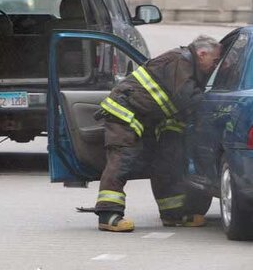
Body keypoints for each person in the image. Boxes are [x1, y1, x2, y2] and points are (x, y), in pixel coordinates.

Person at [94, 35, 222, 232]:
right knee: (122, 160)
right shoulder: (181, 61)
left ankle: (172, 215)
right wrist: (215, 103)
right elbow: (186, 97)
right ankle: (108, 214)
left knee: (165, 165)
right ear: (202, 54)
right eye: (214, 62)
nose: (215, 67)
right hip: (124, 114)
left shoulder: (189, 66)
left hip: (146, 119)